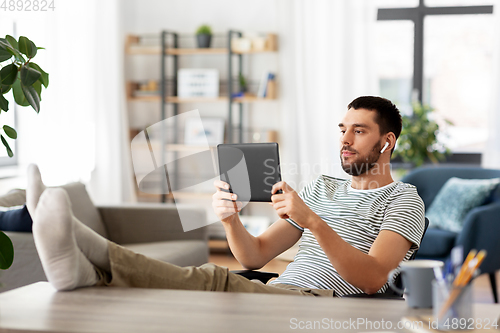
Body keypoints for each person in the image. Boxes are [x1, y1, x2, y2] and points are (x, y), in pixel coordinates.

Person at [28, 96, 424, 297]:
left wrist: (314, 223)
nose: (344, 140)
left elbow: (374, 279)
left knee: (207, 281)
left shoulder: (404, 200)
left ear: (386, 141)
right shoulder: (322, 187)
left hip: (317, 302)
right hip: (276, 292)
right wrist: (230, 218)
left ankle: (89, 253)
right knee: (191, 295)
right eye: (342, 129)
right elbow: (254, 256)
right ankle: (88, 272)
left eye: (359, 131)